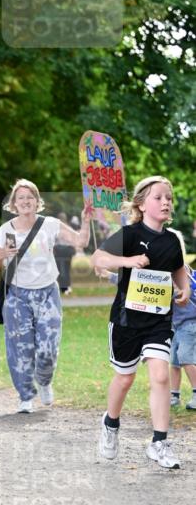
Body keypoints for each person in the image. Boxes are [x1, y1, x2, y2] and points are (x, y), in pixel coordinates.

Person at [91, 176, 190, 469]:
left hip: (159, 321)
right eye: (158, 197)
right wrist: (128, 261)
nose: (165, 202)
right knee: (125, 378)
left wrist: (183, 290)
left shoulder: (172, 240)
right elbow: (98, 259)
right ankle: (110, 424)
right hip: (126, 321)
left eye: (168, 198)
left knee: (160, 376)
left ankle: (159, 443)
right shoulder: (129, 234)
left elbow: (178, 270)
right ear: (142, 204)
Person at [0, 179, 91, 413]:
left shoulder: (50, 225)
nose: (25, 201)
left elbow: (80, 242)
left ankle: (44, 381)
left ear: (37, 201)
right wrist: (2, 253)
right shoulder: (6, 230)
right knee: (20, 348)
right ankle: (25, 396)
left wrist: (85, 221)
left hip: (47, 293)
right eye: (20, 198)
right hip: (17, 296)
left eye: (30, 197)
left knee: (48, 348)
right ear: (14, 203)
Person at [169, 232, 196, 411]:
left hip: (189, 323)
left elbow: (184, 292)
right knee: (174, 361)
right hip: (175, 325)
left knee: (187, 359)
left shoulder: (183, 271)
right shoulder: (163, 272)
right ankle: (174, 395)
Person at [54, 212, 76, 295]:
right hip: (68, 251)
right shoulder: (69, 228)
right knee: (66, 270)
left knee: (60, 270)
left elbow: (53, 241)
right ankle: (67, 287)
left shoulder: (56, 229)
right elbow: (74, 240)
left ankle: (63, 288)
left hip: (59, 251)